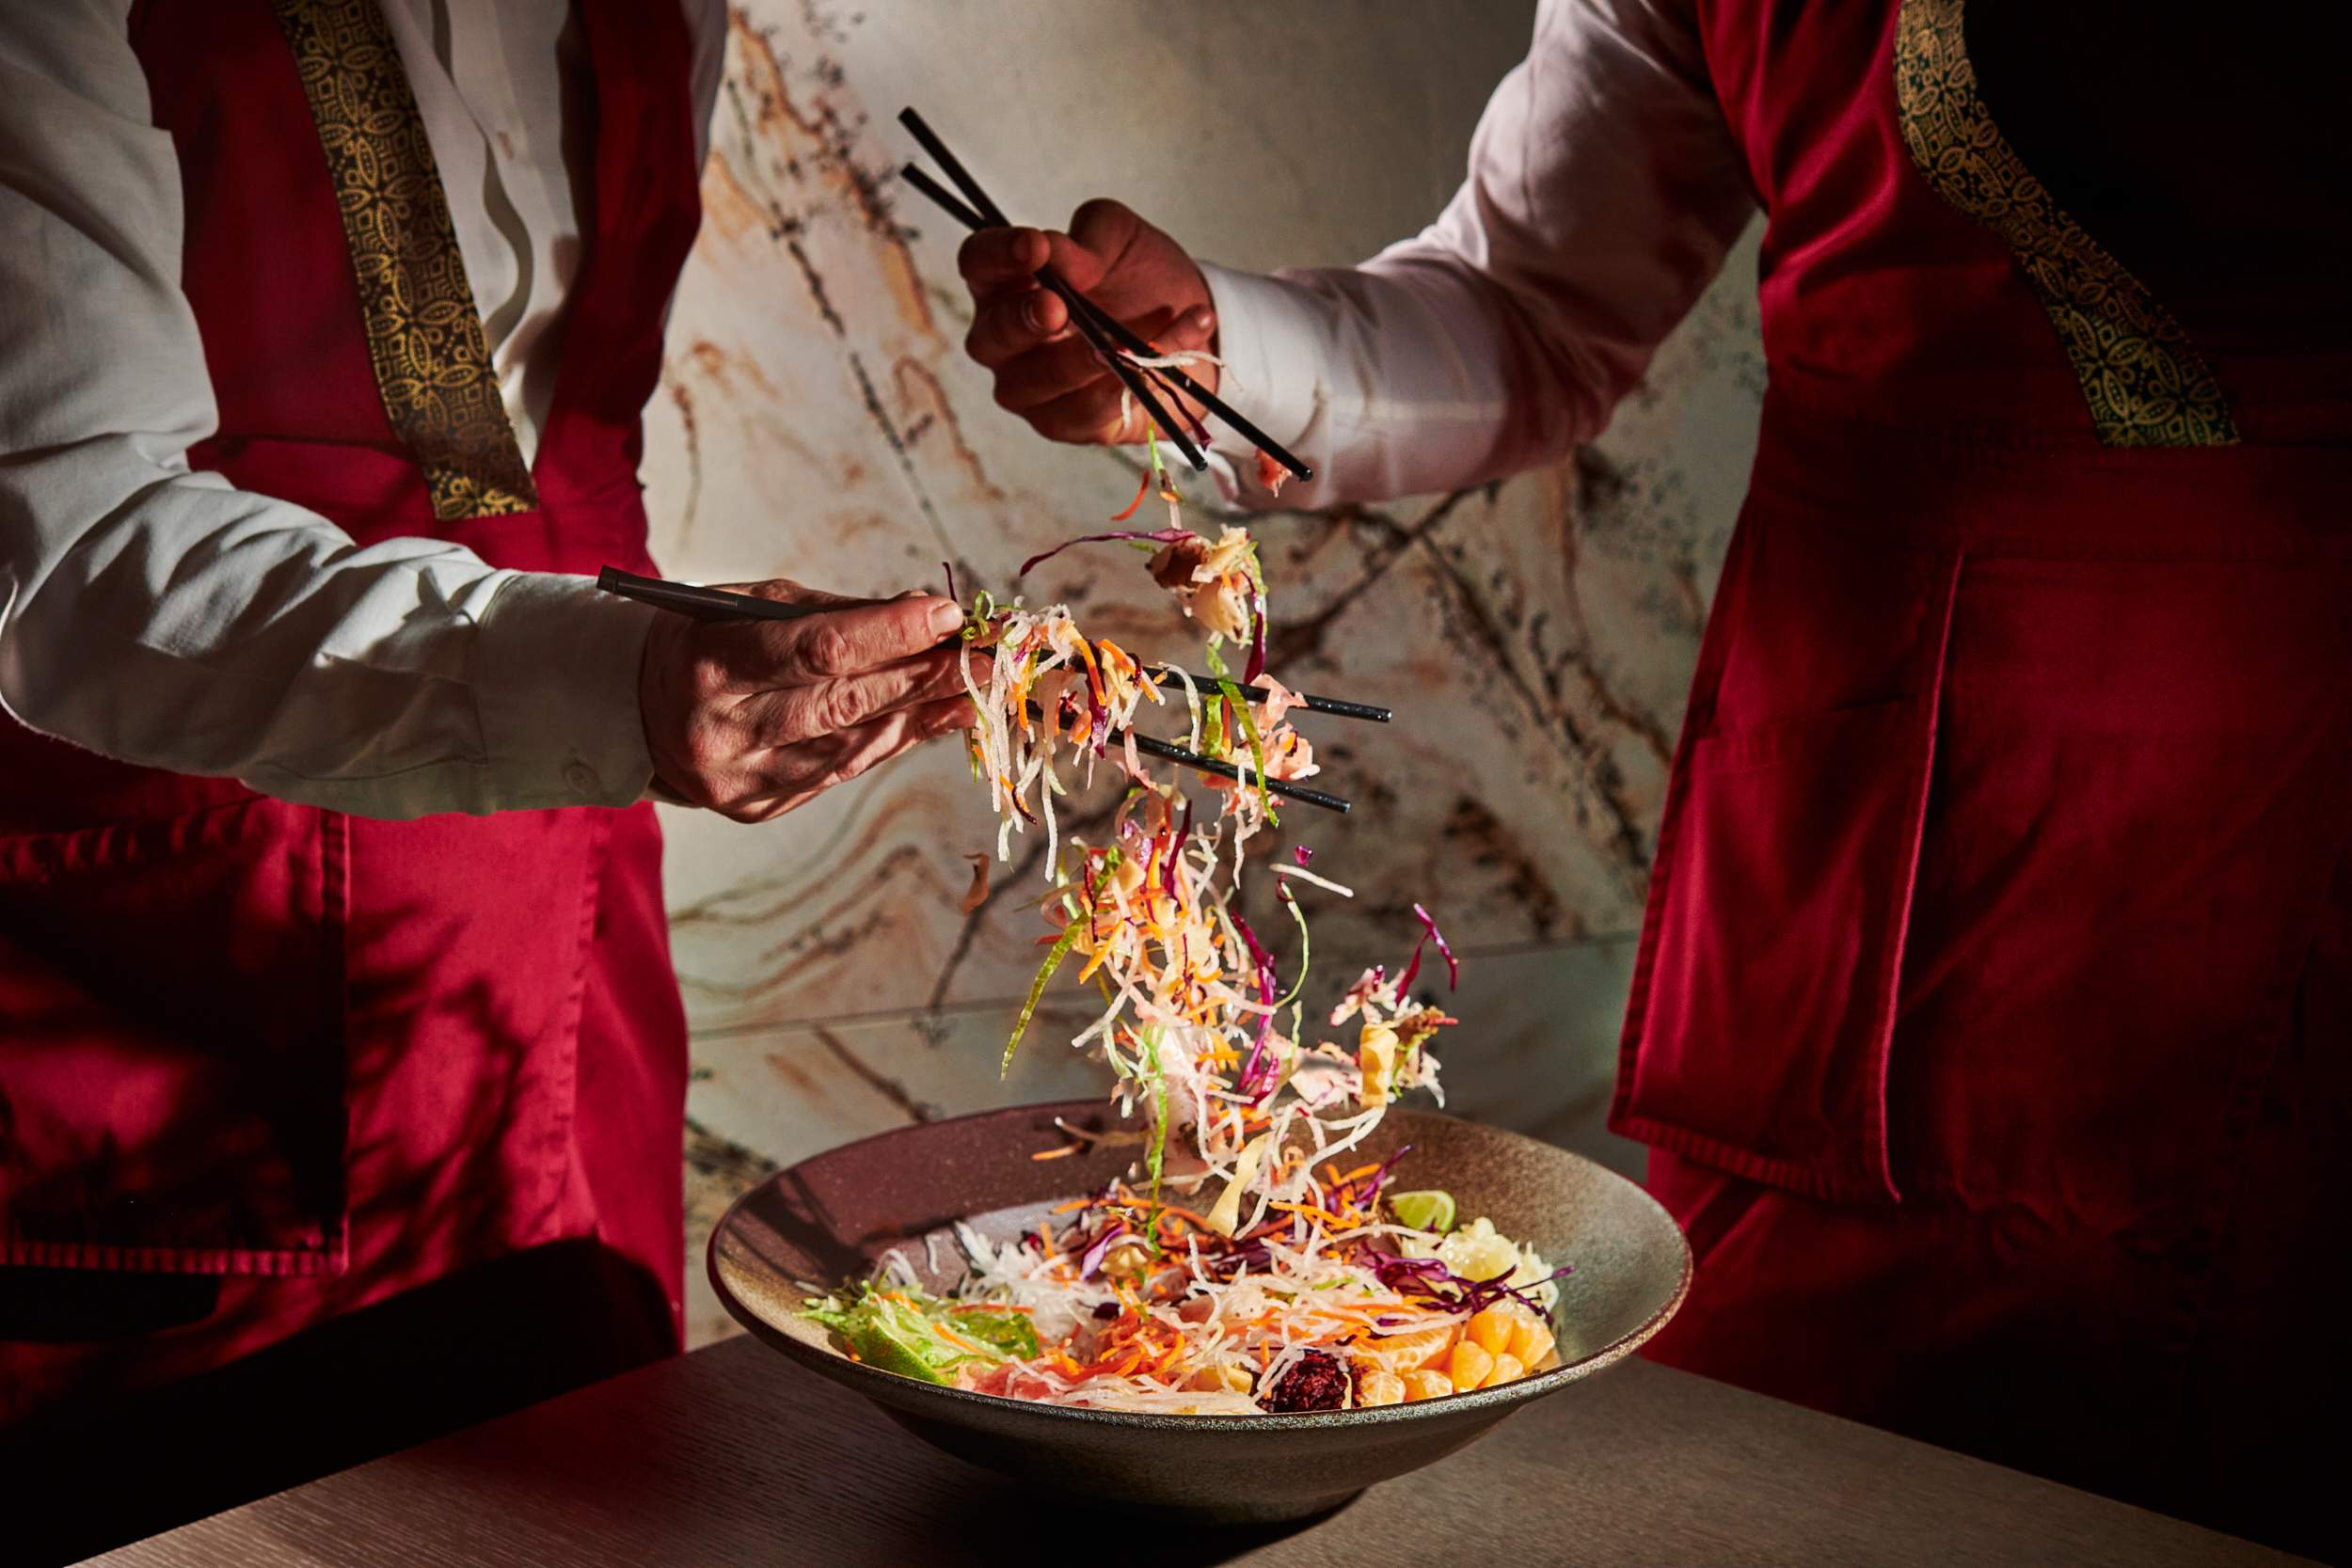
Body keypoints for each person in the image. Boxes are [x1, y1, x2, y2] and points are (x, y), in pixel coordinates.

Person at [956, 0, 2350, 1557]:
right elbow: (1531, 303)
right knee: (1791, 1474)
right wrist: (1214, 349)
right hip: (1889, 821)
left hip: (2293, 731)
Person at [0, 3, 966, 1556]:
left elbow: (524, 451)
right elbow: (59, 528)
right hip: (186, 950)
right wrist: (607, 684)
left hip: (572, 940)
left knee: (585, 1496)